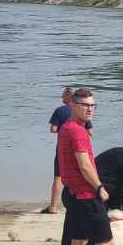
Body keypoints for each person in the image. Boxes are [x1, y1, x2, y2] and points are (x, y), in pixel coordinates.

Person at [56, 89, 123, 245]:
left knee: (78, 241)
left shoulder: (66, 128)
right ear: (72, 105)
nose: (90, 109)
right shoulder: (78, 132)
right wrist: (99, 187)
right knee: (103, 242)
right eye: (85, 105)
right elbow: (84, 165)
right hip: (85, 195)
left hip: (72, 193)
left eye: (93, 105)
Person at [43, 86, 75, 214]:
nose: (62, 97)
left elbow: (53, 129)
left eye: (63, 95)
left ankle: (53, 207)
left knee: (58, 177)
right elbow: (89, 132)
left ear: (68, 97)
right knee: (78, 175)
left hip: (63, 148)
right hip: (78, 147)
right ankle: (76, 204)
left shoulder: (60, 111)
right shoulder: (80, 110)